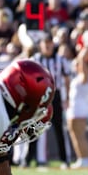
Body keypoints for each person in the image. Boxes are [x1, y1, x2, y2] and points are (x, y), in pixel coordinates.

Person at [29, 34, 71, 167]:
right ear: (40, 45)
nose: (47, 46)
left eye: (49, 43)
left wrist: (67, 97)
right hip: (39, 96)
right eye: (45, 43)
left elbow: (67, 78)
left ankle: (64, 159)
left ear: (53, 44)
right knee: (34, 127)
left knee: (59, 128)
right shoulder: (35, 59)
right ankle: (28, 159)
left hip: (55, 95)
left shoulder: (60, 60)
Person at [66, 57, 88, 168]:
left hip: (79, 109)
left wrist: (83, 50)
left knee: (80, 135)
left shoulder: (86, 77)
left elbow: (83, 60)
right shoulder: (78, 77)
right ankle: (81, 158)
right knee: (74, 135)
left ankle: (85, 159)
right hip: (73, 109)